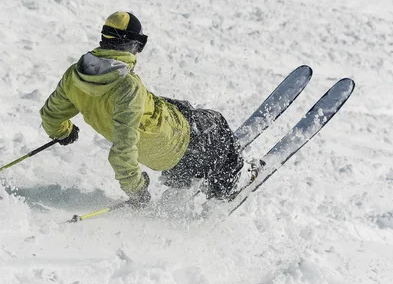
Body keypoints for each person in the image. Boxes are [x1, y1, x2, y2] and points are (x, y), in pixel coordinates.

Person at [39, 11, 246, 209]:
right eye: (140, 45)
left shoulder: (75, 74)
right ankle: (228, 188)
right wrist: (137, 191)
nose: (138, 52)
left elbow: (50, 115)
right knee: (217, 126)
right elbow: (122, 151)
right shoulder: (126, 87)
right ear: (132, 44)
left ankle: (181, 178)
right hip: (176, 143)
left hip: (154, 150)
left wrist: (63, 133)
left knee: (181, 106)